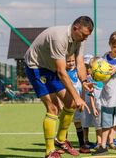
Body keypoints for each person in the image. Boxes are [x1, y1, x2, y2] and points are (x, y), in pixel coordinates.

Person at [24, 16, 94, 158]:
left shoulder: (79, 39)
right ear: (75, 28)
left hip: (50, 68)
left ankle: (60, 140)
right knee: (53, 108)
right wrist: (77, 96)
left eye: (88, 36)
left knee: (71, 103)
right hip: (36, 67)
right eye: (84, 35)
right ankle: (49, 151)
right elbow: (62, 72)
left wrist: (84, 81)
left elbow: (80, 63)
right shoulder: (59, 38)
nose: (85, 38)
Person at [65, 54, 90, 154]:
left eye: (72, 61)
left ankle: (82, 145)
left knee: (78, 123)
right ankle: (63, 144)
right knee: (65, 123)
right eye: (68, 61)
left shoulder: (79, 72)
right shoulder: (63, 73)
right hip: (66, 103)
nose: (71, 63)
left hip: (78, 103)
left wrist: (82, 100)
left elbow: (83, 87)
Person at [81, 54, 104, 151]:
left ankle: (103, 141)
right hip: (89, 103)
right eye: (87, 67)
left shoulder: (103, 77)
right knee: (87, 122)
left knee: (101, 123)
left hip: (100, 104)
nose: (88, 69)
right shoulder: (86, 78)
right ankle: (86, 140)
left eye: (90, 67)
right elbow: (88, 92)